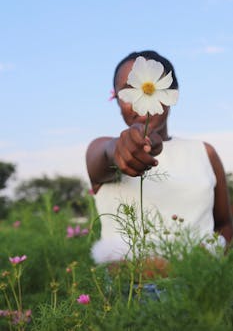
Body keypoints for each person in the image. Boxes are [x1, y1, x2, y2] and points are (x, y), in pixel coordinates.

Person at [86, 50, 233, 266]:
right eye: (128, 91)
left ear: (171, 93)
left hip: (197, 288)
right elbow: (105, 155)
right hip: (127, 294)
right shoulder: (103, 148)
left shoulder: (204, 151)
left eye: (149, 88)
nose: (139, 102)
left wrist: (208, 259)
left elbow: (224, 224)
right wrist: (119, 149)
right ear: (117, 99)